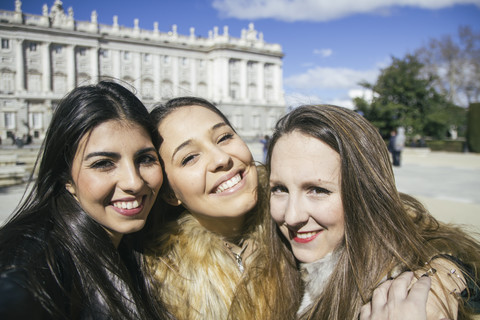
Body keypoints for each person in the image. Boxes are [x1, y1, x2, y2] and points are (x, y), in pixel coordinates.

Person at [266, 104, 480, 320]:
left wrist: (443, 281)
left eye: (318, 190)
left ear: (366, 193)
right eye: (279, 189)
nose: (292, 217)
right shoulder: (273, 260)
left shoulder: (402, 301)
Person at [0, 81, 172, 319]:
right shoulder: (36, 267)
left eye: (145, 158)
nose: (134, 182)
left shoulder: (140, 246)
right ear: (66, 178)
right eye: (103, 163)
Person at [142, 96, 302, 320]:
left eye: (224, 137)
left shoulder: (302, 224)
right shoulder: (154, 283)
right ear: (170, 194)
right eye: (189, 158)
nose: (221, 158)